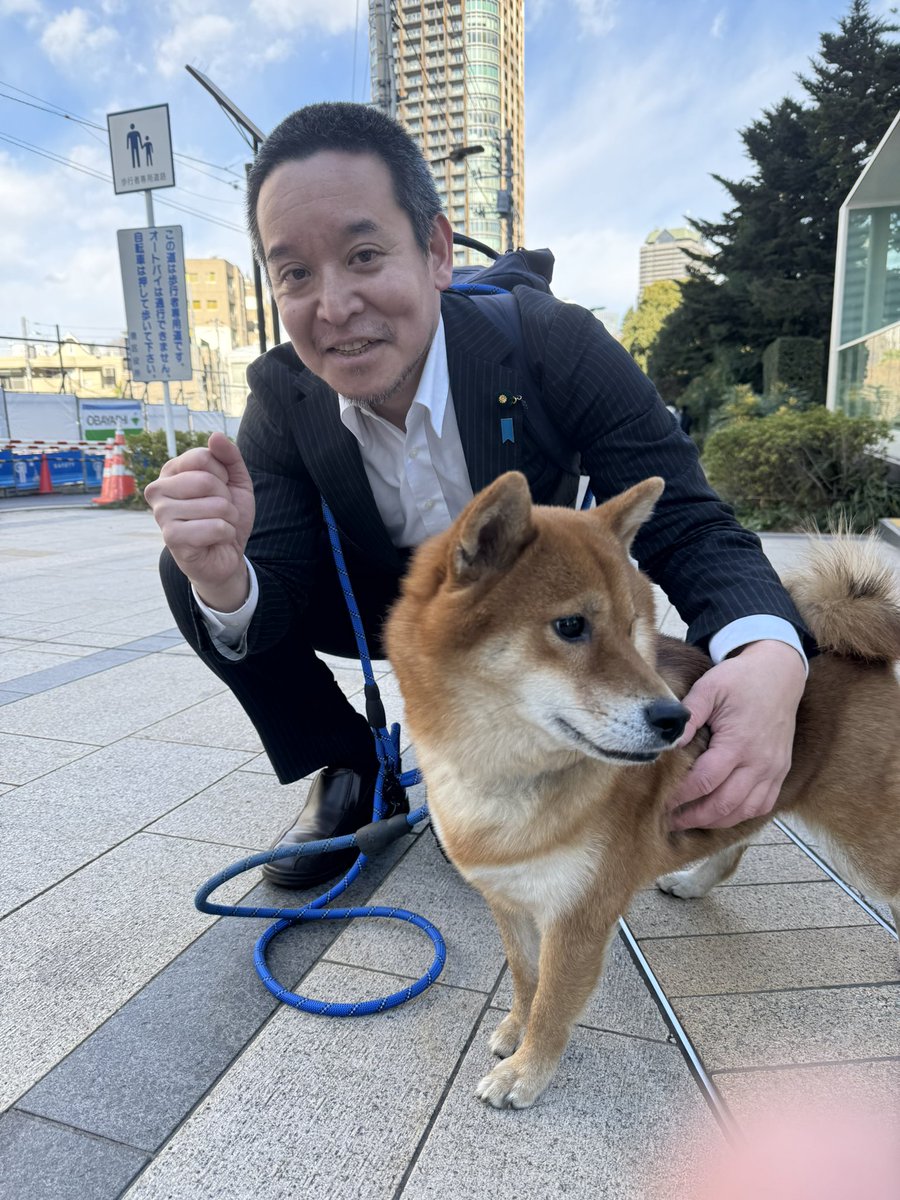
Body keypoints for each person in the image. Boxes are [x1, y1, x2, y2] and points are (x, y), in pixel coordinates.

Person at [145, 102, 810, 890]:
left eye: (363, 255)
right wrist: (221, 578)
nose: (332, 307)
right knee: (191, 575)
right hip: (386, 603)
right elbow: (279, 588)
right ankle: (351, 763)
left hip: (523, 597)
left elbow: (689, 521)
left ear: (434, 251)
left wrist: (771, 658)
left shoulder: (547, 343)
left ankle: (523, 756)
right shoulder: (282, 396)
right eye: (295, 273)